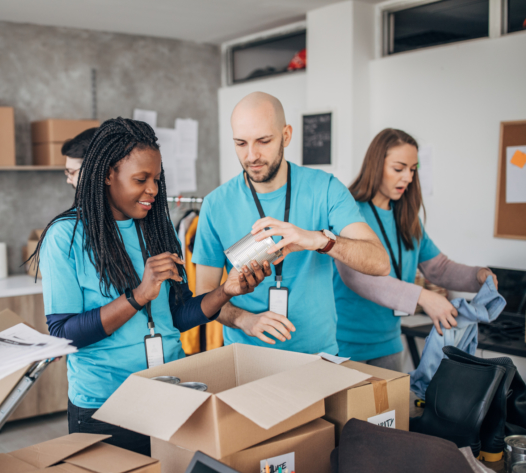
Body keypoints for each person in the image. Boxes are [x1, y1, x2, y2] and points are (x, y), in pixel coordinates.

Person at [30, 117, 271, 455]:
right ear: (106, 175)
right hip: (107, 406)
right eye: (141, 179)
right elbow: (62, 335)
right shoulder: (65, 236)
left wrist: (226, 291)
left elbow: (176, 315)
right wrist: (138, 295)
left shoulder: (156, 228)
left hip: (172, 391)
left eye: (157, 179)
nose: (154, 190)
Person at [194, 92, 390, 355]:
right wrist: (244, 320)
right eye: (241, 143)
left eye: (264, 141)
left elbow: (380, 262)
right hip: (245, 359)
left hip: (317, 358)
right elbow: (203, 295)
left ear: (286, 135)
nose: (251, 155)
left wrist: (319, 240)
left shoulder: (326, 188)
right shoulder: (215, 204)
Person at [333, 128, 497, 371]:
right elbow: (358, 277)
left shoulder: (407, 217)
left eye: (412, 170)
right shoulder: (349, 212)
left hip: (389, 342)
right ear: (376, 165)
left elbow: (438, 268)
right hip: (344, 345)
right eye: (399, 169)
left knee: (394, 410)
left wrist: (478, 276)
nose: (408, 178)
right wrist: (423, 297)